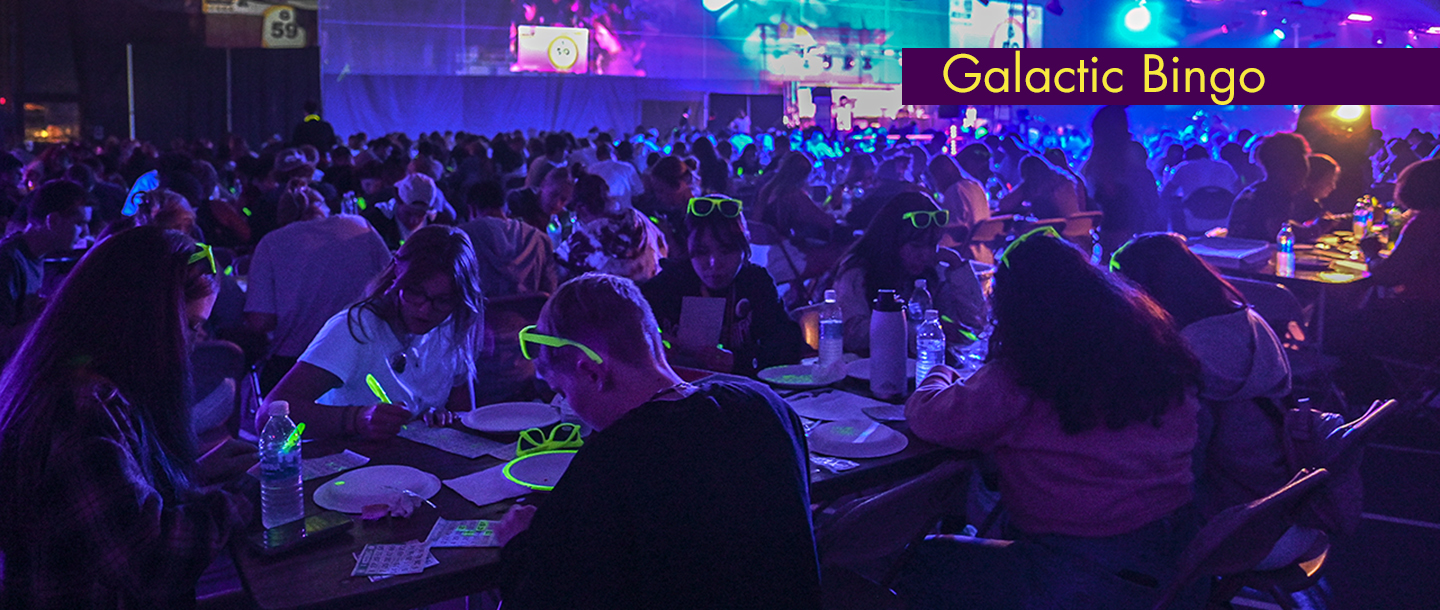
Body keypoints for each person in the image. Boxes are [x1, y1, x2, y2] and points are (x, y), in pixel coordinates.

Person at [898, 229, 1203, 610]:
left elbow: (930, 418)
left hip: (1078, 577)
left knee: (919, 562)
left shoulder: (1029, 371)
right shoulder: (1153, 348)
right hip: (1180, 564)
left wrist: (940, 372)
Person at [495, 273, 822, 609]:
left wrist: (519, 543)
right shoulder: (769, 406)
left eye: (564, 393)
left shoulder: (610, 462)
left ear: (592, 372)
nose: (570, 407)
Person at [0, 226, 256, 609]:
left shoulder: (83, 381)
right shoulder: (80, 406)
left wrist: (194, 474)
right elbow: (151, 561)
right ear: (145, 320)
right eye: (189, 325)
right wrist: (251, 490)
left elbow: (117, 506)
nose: (196, 340)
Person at [1111, 232, 1292, 519]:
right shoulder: (1249, 321)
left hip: (1225, 515)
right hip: (1278, 491)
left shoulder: (1184, 356)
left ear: (1146, 292)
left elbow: (1181, 469)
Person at [266, 225, 483, 439]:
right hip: (344, 465)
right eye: (415, 292)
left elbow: (465, 417)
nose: (425, 309)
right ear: (397, 270)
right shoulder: (356, 329)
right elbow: (268, 416)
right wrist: (356, 419)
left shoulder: (451, 325)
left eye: (443, 300)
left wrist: (442, 417)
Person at [244, 184, 393, 394]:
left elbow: (260, 321)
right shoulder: (359, 226)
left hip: (294, 363)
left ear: (282, 217)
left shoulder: (272, 242)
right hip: (362, 355)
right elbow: (391, 284)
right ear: (324, 207)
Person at [641, 197, 805, 375]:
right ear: (688, 248)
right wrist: (652, 345)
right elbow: (618, 332)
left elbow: (789, 344)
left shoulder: (755, 281)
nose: (714, 263)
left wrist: (740, 361)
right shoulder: (669, 282)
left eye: (726, 251)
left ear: (745, 249)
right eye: (702, 252)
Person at [829, 192, 985, 354]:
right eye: (916, 246)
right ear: (891, 240)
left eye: (932, 245)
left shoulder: (932, 269)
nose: (925, 255)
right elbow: (852, 335)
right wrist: (916, 332)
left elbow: (975, 321)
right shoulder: (858, 271)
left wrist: (956, 265)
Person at [0, 179, 91, 329]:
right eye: (79, 223)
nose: (85, 232)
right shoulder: (7, 263)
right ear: (53, 220)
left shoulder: (35, 255)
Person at [555, 174, 667, 283]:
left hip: (610, 300)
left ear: (580, 207)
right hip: (652, 295)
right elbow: (663, 248)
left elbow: (556, 274)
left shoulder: (581, 242)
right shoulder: (640, 220)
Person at [457, 179, 557, 298]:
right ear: (503, 206)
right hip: (527, 315)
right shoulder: (541, 239)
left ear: (472, 209)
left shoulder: (463, 236)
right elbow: (550, 293)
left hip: (479, 315)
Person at [1227, 133, 1313, 242]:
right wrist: (1315, 230)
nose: (1302, 186)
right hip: (1256, 256)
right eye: (1300, 177)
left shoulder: (1254, 191)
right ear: (1287, 171)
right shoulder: (1276, 194)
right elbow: (1277, 232)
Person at [755, 151, 836, 242]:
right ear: (802, 176)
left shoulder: (767, 189)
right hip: (784, 249)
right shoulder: (794, 195)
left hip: (764, 246)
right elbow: (827, 222)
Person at [997, 155, 1083, 220]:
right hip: (1077, 225)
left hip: (1052, 230)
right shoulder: (1066, 181)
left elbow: (1004, 206)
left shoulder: (1032, 185)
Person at [585, 141, 644, 209]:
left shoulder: (591, 169)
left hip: (600, 212)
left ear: (597, 157)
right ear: (615, 153)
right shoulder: (627, 167)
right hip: (624, 212)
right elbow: (639, 191)